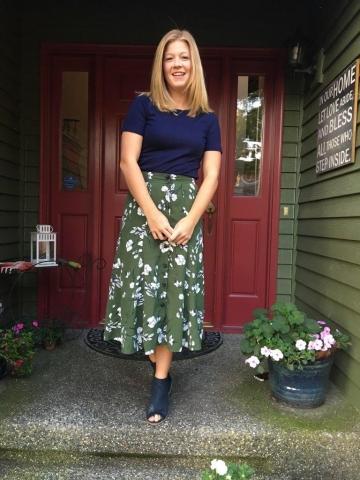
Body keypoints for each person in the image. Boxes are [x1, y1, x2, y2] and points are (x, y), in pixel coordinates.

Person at [103, 29, 222, 424]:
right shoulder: (144, 106)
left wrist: (191, 219)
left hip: (187, 212)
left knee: (172, 292)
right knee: (143, 287)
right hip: (145, 209)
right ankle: (153, 352)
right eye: (170, 57)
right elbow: (127, 162)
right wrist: (152, 212)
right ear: (161, 63)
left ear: (194, 64)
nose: (177, 64)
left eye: (184, 57)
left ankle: (160, 381)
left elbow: (212, 176)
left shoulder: (207, 118)